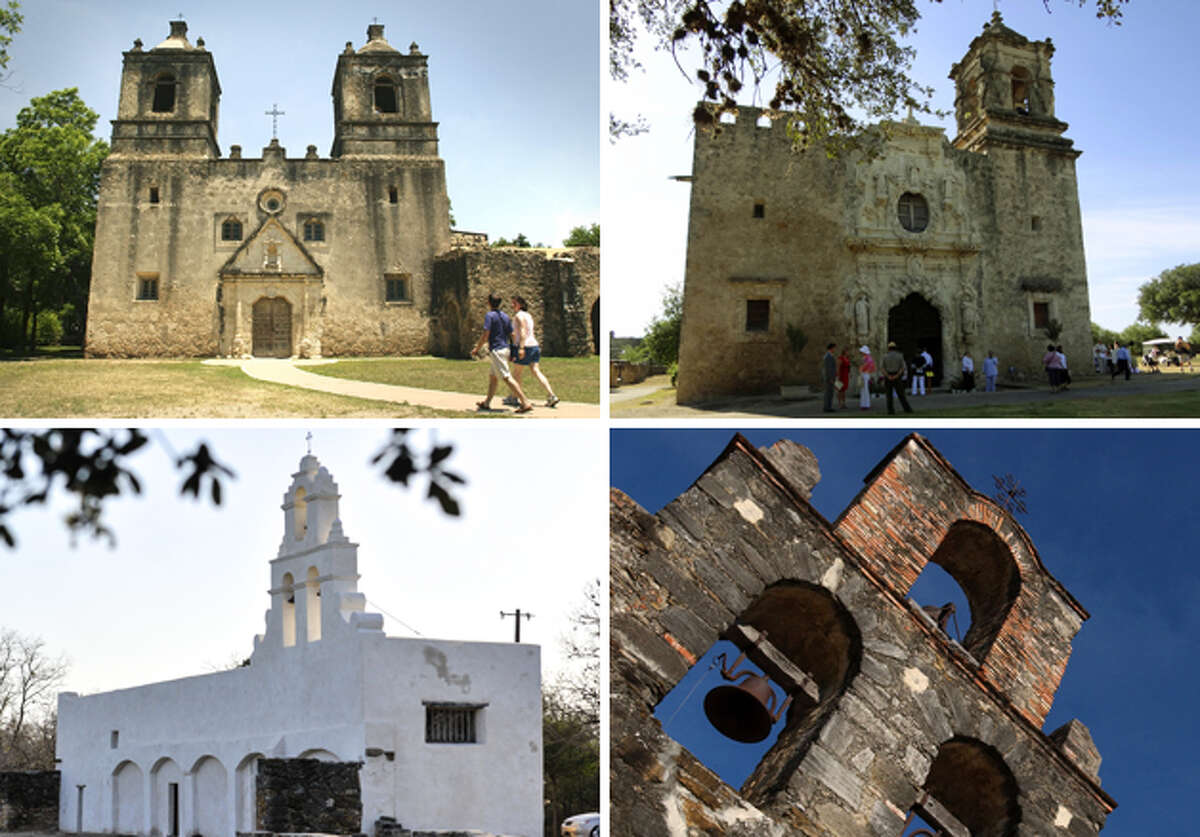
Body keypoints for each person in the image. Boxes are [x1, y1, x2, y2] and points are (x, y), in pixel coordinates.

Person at [470, 293, 533, 413]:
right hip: (505, 349)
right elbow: (513, 334)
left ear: (489, 303)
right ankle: (487, 403)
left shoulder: (490, 315)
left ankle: (525, 402)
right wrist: (515, 348)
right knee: (493, 377)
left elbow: (485, 335)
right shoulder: (505, 316)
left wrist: (477, 348)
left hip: (497, 350)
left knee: (506, 377)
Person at [508, 295, 560, 407]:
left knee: (517, 373)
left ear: (520, 305)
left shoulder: (519, 316)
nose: (512, 305)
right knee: (536, 371)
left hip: (525, 346)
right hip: (534, 345)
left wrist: (521, 347)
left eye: (514, 303)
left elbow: (522, 331)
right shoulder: (529, 315)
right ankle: (551, 395)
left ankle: (515, 397)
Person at [881, 341, 913, 414]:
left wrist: (888, 376)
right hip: (897, 376)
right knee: (901, 394)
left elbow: (882, 368)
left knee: (889, 395)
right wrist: (897, 375)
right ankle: (907, 409)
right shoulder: (900, 356)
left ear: (888, 348)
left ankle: (890, 410)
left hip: (888, 375)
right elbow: (902, 367)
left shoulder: (885, 356)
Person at [820, 342, 837, 412]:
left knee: (830, 393)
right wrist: (830, 378)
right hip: (829, 378)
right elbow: (828, 368)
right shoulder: (828, 357)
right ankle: (827, 407)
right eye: (834, 348)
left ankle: (829, 406)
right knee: (828, 393)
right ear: (831, 348)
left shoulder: (830, 356)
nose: (835, 349)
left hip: (830, 377)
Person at [858, 345, 875, 410]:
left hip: (865, 373)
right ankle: (864, 404)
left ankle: (865, 404)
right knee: (864, 389)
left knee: (864, 389)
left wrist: (861, 369)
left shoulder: (867, 358)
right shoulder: (868, 358)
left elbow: (865, 366)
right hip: (865, 373)